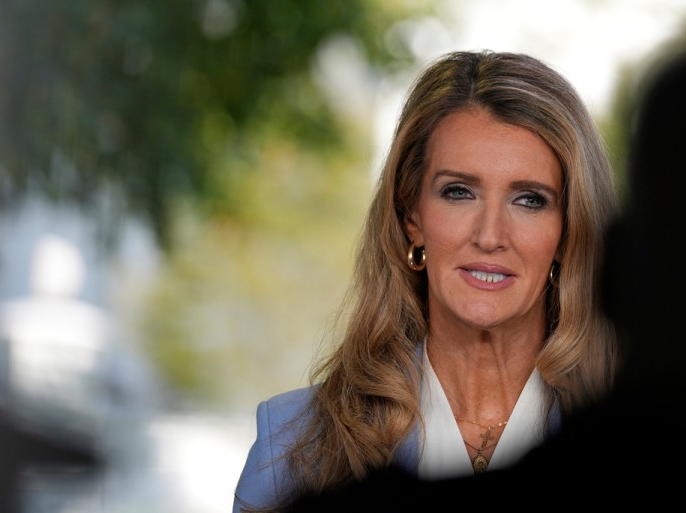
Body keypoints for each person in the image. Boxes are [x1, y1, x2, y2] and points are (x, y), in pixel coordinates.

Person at [233, 49, 619, 513]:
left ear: (568, 230)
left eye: (530, 200)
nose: (490, 236)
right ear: (411, 216)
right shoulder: (293, 446)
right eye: (459, 192)